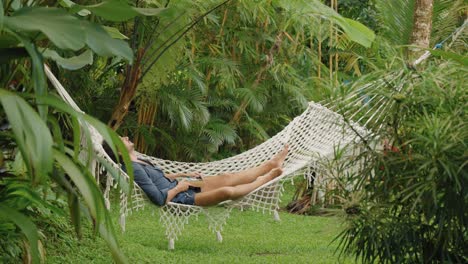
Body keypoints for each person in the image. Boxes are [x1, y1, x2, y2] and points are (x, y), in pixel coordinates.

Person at [104, 136, 288, 207]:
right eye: (121, 139)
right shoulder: (133, 168)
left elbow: (158, 178)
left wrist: (179, 176)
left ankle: (270, 164)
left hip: (182, 185)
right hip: (179, 198)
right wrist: (179, 187)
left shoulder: (140, 160)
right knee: (226, 192)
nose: (126, 137)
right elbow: (159, 199)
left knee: (227, 177)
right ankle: (267, 178)